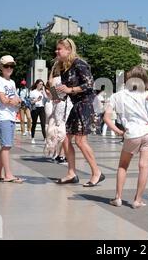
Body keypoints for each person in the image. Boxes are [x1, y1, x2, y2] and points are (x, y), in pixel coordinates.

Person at [104, 66, 148, 209]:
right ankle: (137, 200)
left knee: (123, 165)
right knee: (144, 166)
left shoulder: (117, 96)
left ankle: (118, 197)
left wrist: (118, 131)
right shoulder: (144, 93)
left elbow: (107, 118)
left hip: (132, 132)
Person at [55, 38, 105, 187]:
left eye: (59, 49)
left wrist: (70, 90)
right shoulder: (62, 66)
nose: (56, 51)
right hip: (76, 104)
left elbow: (89, 84)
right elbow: (62, 87)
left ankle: (97, 172)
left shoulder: (79, 63)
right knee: (66, 138)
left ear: (69, 50)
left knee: (80, 140)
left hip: (86, 104)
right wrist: (58, 95)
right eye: (56, 49)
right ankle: (71, 173)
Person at [0, 55, 24, 183]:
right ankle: (8, 174)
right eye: (6, 66)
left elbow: (18, 100)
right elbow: (4, 99)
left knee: (6, 146)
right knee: (6, 146)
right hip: (3, 116)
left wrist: (15, 101)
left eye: (11, 66)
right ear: (1, 67)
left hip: (10, 116)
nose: (9, 68)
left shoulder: (12, 82)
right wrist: (14, 101)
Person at [30, 79, 48, 144]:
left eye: (42, 84)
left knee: (43, 124)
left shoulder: (43, 92)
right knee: (34, 123)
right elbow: (31, 102)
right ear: (37, 84)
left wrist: (44, 93)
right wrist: (37, 100)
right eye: (40, 84)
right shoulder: (33, 92)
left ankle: (45, 138)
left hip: (42, 108)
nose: (41, 85)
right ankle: (32, 137)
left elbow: (47, 100)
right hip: (35, 108)